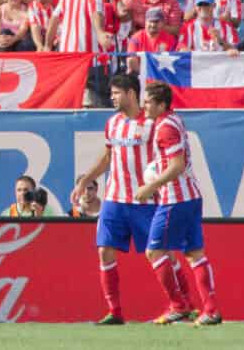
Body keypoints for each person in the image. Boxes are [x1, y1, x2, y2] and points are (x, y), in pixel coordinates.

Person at [72, 73, 168, 323]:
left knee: (159, 253)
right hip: (115, 198)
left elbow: (169, 158)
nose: (112, 97)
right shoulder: (112, 122)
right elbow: (107, 158)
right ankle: (115, 312)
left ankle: (181, 304)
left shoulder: (153, 123)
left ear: (131, 94)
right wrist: (84, 180)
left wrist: (158, 184)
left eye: (116, 93)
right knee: (104, 250)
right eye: (111, 93)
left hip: (145, 200)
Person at [134, 82, 222, 326]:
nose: (145, 105)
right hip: (190, 196)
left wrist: (150, 186)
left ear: (162, 105)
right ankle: (211, 310)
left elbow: (177, 165)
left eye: (149, 101)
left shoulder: (165, 128)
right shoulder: (173, 120)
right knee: (195, 254)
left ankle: (178, 305)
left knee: (154, 251)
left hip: (176, 199)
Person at [45, 0, 116, 106]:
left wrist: (47, 45)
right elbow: (97, 13)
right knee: (102, 103)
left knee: (71, 102)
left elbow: (53, 19)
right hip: (90, 59)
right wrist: (101, 33)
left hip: (68, 58)